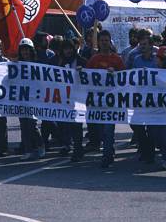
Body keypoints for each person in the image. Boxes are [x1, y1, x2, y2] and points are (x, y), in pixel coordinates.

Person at [86, 29, 124, 168]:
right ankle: (109, 150)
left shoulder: (117, 59)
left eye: (106, 40)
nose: (104, 43)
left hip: (112, 102)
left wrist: (116, 73)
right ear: (99, 42)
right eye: (102, 41)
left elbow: (124, 77)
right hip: (97, 103)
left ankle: (107, 155)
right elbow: (86, 77)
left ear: (110, 41)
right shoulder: (94, 59)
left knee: (109, 130)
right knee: (101, 130)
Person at [56, 38, 87, 162]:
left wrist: (83, 71)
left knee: (76, 125)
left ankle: (78, 149)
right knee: (66, 124)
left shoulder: (82, 61)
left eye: (69, 48)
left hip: (79, 98)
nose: (67, 51)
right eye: (65, 49)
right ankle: (68, 145)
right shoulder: (61, 63)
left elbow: (90, 76)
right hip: (66, 98)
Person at [130, 29, 159, 163]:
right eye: (140, 44)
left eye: (144, 44)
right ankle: (145, 148)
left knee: (152, 127)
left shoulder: (156, 60)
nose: (142, 47)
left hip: (153, 98)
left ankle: (149, 153)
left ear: (151, 46)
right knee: (136, 124)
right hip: (139, 98)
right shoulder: (136, 59)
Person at [16, 38, 46, 161]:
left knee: (31, 124)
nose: (25, 52)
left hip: (34, 98)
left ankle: (40, 145)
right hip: (22, 99)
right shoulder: (17, 65)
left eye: (27, 50)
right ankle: (27, 150)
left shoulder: (37, 64)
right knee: (23, 124)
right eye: (23, 50)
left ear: (31, 50)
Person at [151, 45, 166, 169]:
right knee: (155, 133)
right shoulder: (153, 73)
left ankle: (165, 157)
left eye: (159, 59)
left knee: (165, 135)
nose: (157, 61)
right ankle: (162, 153)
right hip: (155, 109)